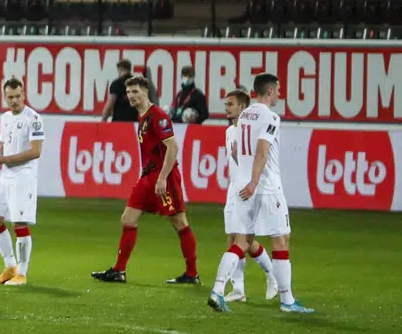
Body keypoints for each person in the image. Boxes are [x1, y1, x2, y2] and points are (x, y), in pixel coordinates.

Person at [212, 73, 313, 314]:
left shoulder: (243, 116)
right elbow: (262, 151)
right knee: (281, 239)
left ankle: (217, 291)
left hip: (242, 187)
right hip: (266, 189)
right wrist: (256, 181)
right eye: (278, 90)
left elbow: (236, 151)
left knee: (242, 241)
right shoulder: (271, 117)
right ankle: (287, 301)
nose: (279, 94)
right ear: (269, 91)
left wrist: (247, 178)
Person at [91, 75, 199, 285]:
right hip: (148, 176)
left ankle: (192, 274)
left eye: (135, 92)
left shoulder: (158, 116)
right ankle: (119, 270)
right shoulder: (143, 116)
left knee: (179, 222)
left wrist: (162, 179)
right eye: (128, 92)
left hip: (162, 176)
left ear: (145, 92)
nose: (130, 96)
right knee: (127, 219)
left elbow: (173, 147)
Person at [215, 88, 277, 305]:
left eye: (230, 104)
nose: (226, 108)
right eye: (226, 105)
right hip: (233, 189)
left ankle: (272, 276)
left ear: (242, 106)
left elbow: (255, 162)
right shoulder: (229, 131)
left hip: (247, 189)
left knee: (243, 241)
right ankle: (239, 288)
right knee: (234, 240)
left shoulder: (249, 130)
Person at [0, 78, 44, 286]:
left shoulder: (34, 119)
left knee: (19, 223)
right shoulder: (5, 118)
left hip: (23, 176)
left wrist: (4, 160)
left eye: (18, 96)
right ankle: (10, 267)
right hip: (6, 176)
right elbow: (3, 146)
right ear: (5, 97)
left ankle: (22, 274)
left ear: (24, 94)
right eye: (10, 97)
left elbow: (35, 151)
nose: (14, 100)